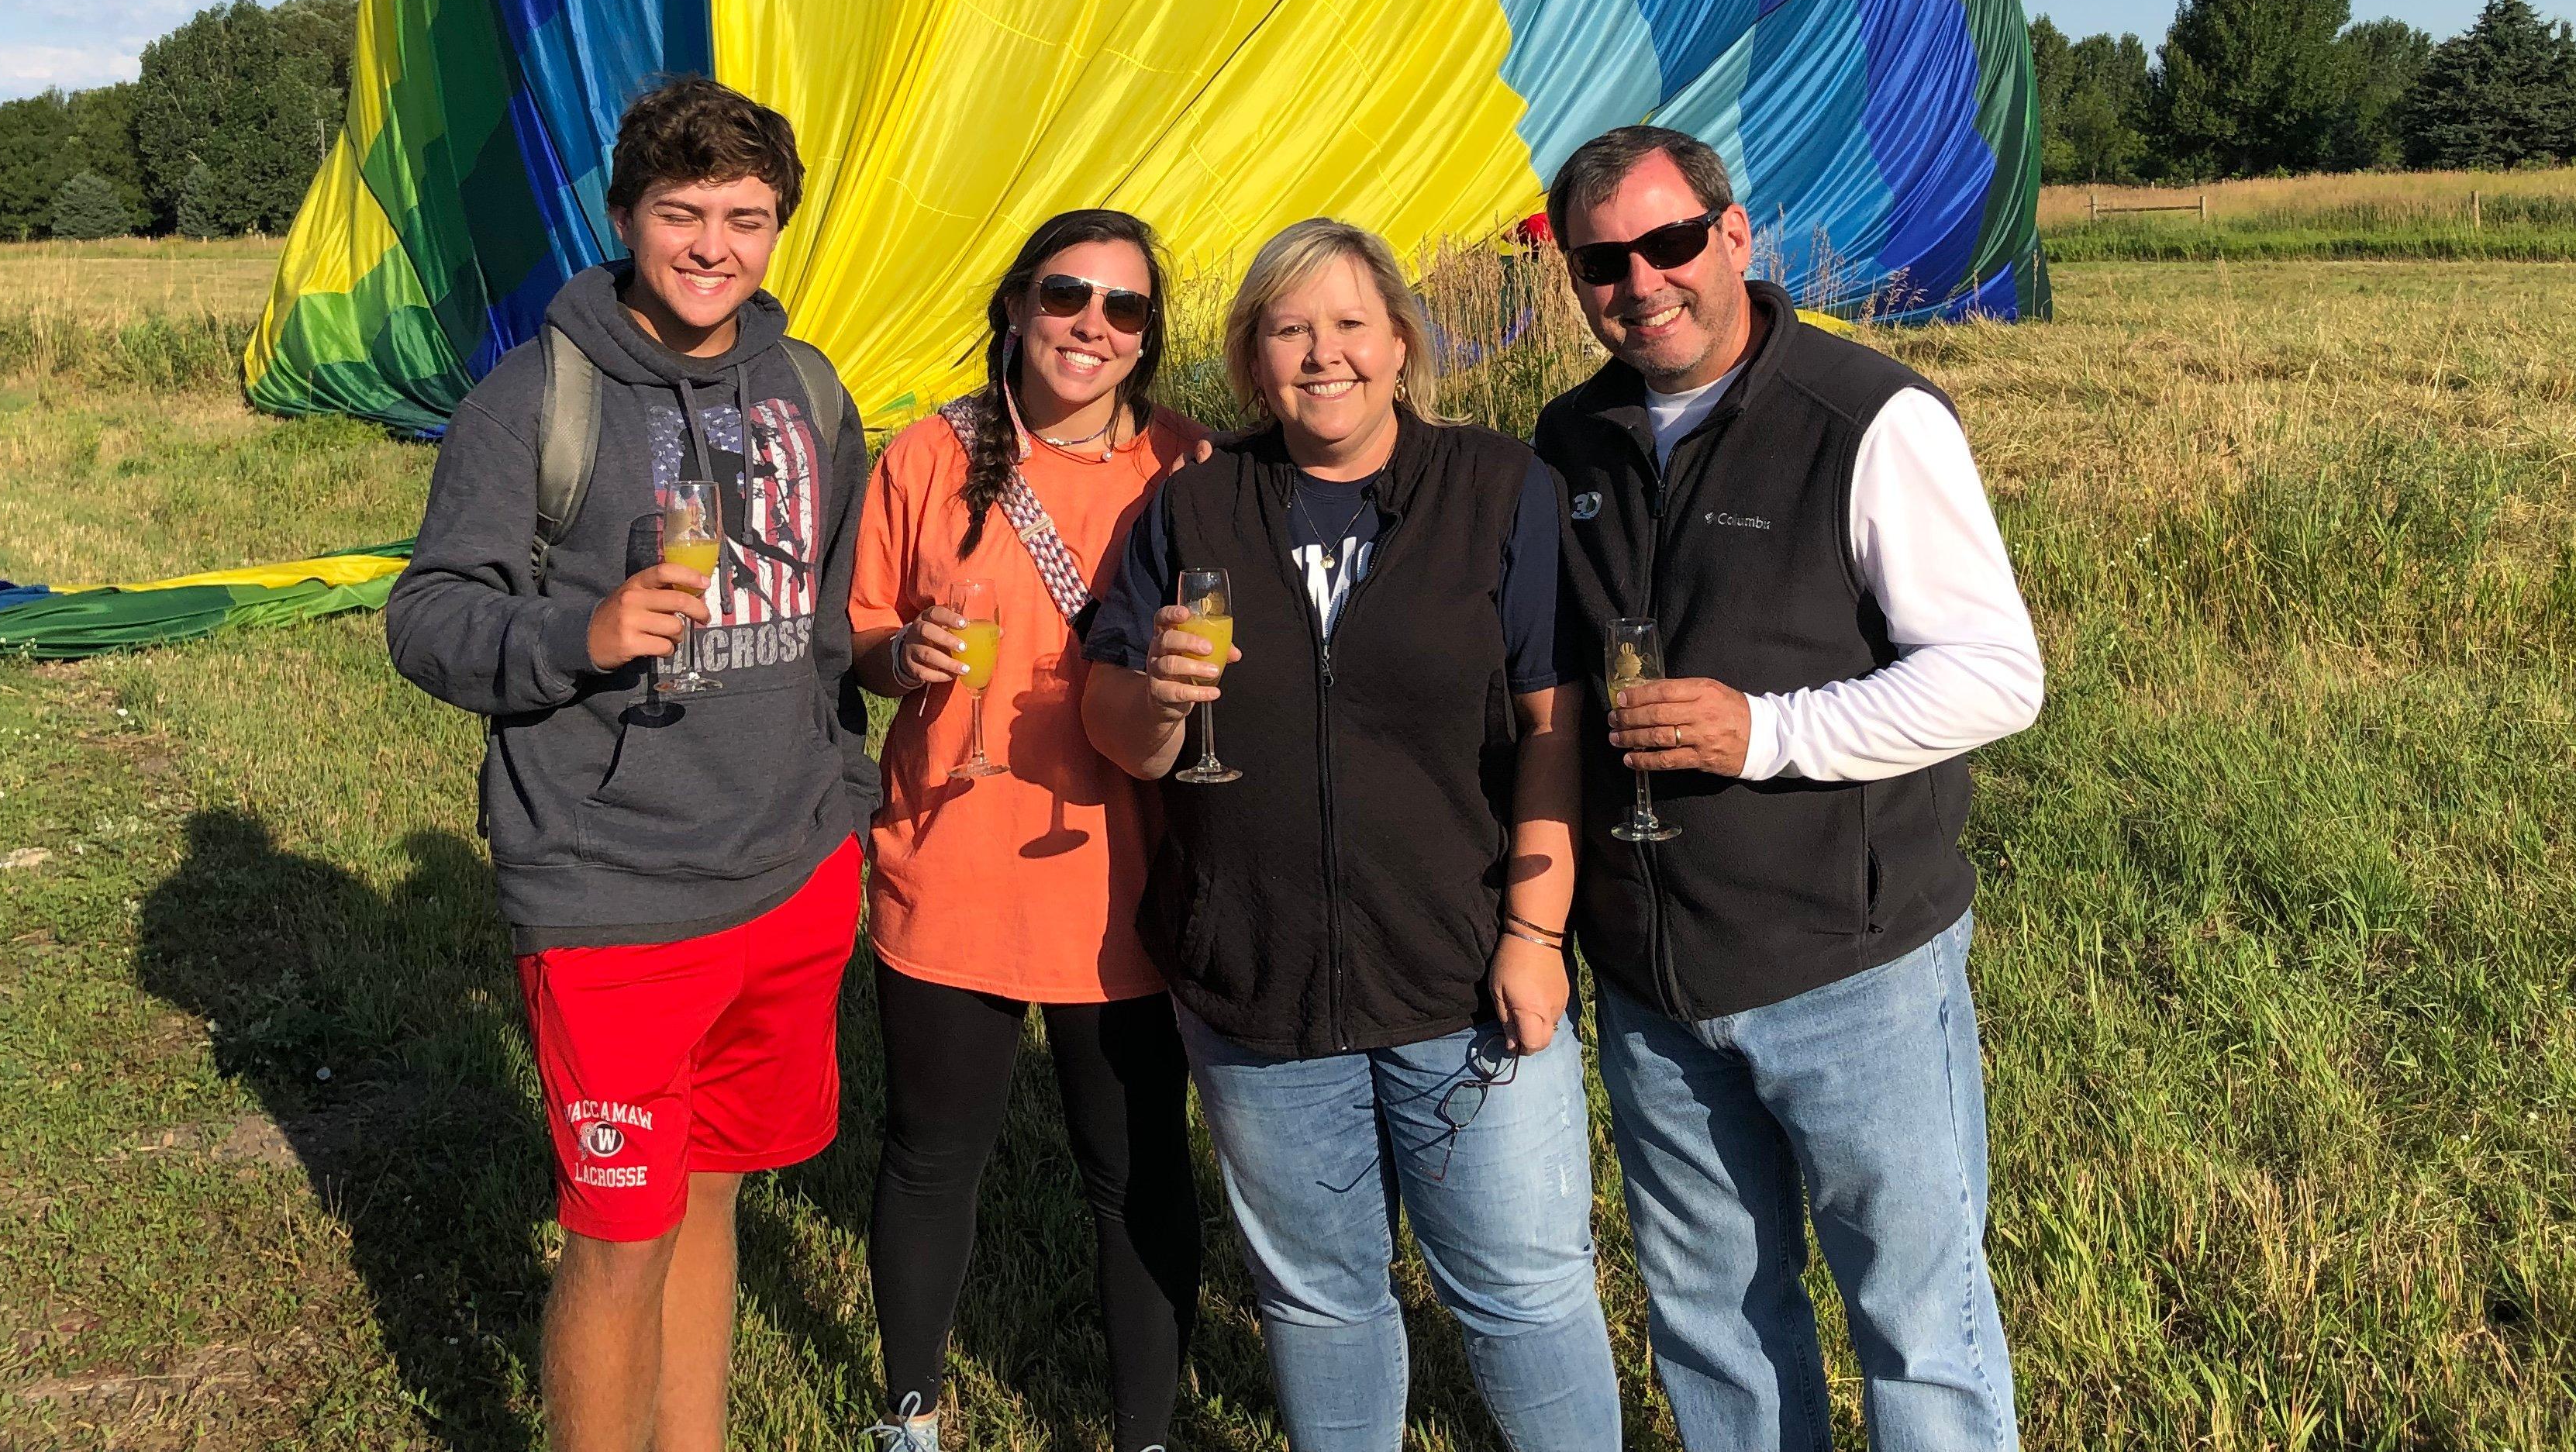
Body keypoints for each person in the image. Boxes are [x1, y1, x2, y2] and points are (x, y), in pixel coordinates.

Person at [1530, 126, 2044, 1452]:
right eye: (1602, 262)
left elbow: (1996, 676)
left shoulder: (1867, 417)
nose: (1641, 283)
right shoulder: (1569, 439)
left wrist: (1761, 733)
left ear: (1736, 235)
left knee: (1919, 1323)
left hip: (1851, 961)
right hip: (1651, 976)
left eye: (1670, 243)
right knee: (1713, 1322)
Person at [385, 77, 874, 1452]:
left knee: (711, 1195)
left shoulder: (812, 391)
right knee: (617, 1235)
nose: (715, 245)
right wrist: (583, 633)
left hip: (788, 878)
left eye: (748, 216)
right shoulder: (536, 396)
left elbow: (826, 633)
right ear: (623, 218)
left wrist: (847, 816)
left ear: (780, 229)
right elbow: (426, 619)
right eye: (683, 213)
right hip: (612, 891)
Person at [1084, 219, 1621, 1452]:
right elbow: (1115, 724)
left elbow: (1554, 724)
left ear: (1399, 343)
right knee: (1319, 1299)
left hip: (1461, 975)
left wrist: (1536, 930)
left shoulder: (1498, 489)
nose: (1323, 356)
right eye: (1289, 330)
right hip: (1256, 988)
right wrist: (1160, 701)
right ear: (1251, 357)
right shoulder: (1195, 509)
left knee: (1523, 1292)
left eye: (1348, 327)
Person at [846, 210, 1208, 1452]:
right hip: (951, 861)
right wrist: (901, 653)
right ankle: (912, 1415)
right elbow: (860, 639)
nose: (1092, 328)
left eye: (1125, 309)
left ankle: (1145, 1434)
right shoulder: (927, 456)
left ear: (1150, 333)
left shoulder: (1189, 467)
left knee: (1137, 1173)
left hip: (1129, 873)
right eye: (1068, 297)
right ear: (1014, 304)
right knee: (934, 1155)